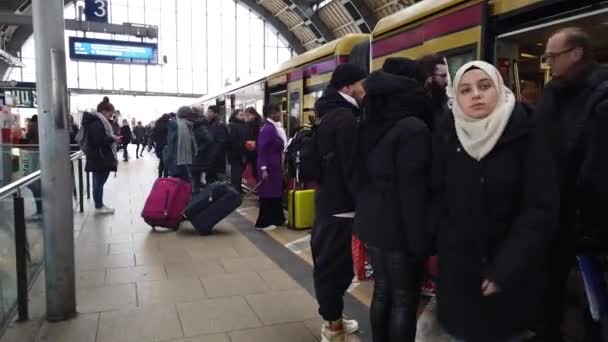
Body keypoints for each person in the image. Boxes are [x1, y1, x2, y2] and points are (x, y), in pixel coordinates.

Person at [431, 61, 558, 342]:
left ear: (499, 88)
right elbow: (439, 201)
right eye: (465, 90)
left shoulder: (528, 130)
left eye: (484, 86)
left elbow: (541, 207)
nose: (475, 94)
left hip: (514, 275)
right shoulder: (446, 132)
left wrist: (504, 269)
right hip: (460, 276)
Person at [534, 27, 608, 342]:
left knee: (596, 300)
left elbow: (596, 172)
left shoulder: (601, 97)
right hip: (554, 216)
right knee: (550, 286)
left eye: (552, 56)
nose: (548, 63)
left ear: (575, 54)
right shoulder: (553, 93)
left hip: (589, 223)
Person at [354, 58, 433, 342]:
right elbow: (413, 191)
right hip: (400, 227)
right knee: (404, 299)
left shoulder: (368, 123)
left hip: (372, 224)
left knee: (383, 290)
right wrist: (419, 239)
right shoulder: (413, 128)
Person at [311, 63, 366, 341]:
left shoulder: (328, 113)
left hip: (329, 203)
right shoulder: (345, 118)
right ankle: (332, 327)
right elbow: (351, 168)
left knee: (331, 264)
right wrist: (364, 202)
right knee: (335, 267)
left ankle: (335, 317)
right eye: (360, 84)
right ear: (348, 87)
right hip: (341, 206)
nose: (363, 89)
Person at [82, 96, 119, 215]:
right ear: (104, 111)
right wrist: (112, 139)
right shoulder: (97, 123)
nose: (111, 115)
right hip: (99, 157)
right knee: (98, 182)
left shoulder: (98, 122)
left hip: (98, 156)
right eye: (110, 113)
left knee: (98, 182)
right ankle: (99, 206)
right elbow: (99, 140)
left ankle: (99, 204)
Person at [255, 104, 287, 230]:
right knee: (267, 195)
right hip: (268, 168)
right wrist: (263, 169)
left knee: (275, 194)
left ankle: (279, 218)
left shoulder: (272, 127)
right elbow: (262, 149)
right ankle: (263, 223)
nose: (279, 114)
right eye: (277, 112)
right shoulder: (268, 129)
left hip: (274, 168)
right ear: (271, 114)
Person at [163, 106, 197, 180]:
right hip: (182, 161)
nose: (192, 117)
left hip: (181, 161)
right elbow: (171, 145)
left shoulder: (187, 126)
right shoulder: (178, 125)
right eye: (190, 114)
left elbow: (171, 144)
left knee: (181, 184)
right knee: (183, 183)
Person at [418, 54, 449, 125]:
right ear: (429, 77)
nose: (447, 80)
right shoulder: (421, 104)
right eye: (443, 76)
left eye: (447, 75)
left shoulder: (445, 99)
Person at [190, 111, 214, 193]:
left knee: (195, 178)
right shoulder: (198, 127)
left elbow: (209, 140)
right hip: (198, 158)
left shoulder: (200, 128)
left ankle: (196, 197)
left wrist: (198, 149)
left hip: (198, 158)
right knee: (196, 178)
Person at [205, 105, 228, 184]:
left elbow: (221, 142)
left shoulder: (220, 125)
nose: (207, 114)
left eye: (209, 112)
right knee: (210, 179)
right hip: (211, 158)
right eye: (207, 112)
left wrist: (212, 155)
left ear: (216, 113)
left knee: (216, 180)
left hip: (216, 159)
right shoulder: (209, 124)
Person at [228, 109, 249, 193]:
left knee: (239, 172)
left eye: (243, 115)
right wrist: (242, 152)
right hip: (236, 154)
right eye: (241, 115)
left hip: (242, 152)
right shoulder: (233, 126)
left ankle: (238, 188)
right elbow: (233, 141)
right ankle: (235, 190)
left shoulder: (243, 125)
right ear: (235, 116)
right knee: (236, 172)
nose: (243, 116)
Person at [152, 114, 170, 178]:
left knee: (161, 162)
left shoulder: (157, 124)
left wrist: (157, 141)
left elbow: (153, 135)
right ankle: (165, 177)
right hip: (166, 146)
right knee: (165, 163)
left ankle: (159, 177)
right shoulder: (167, 125)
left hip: (159, 146)